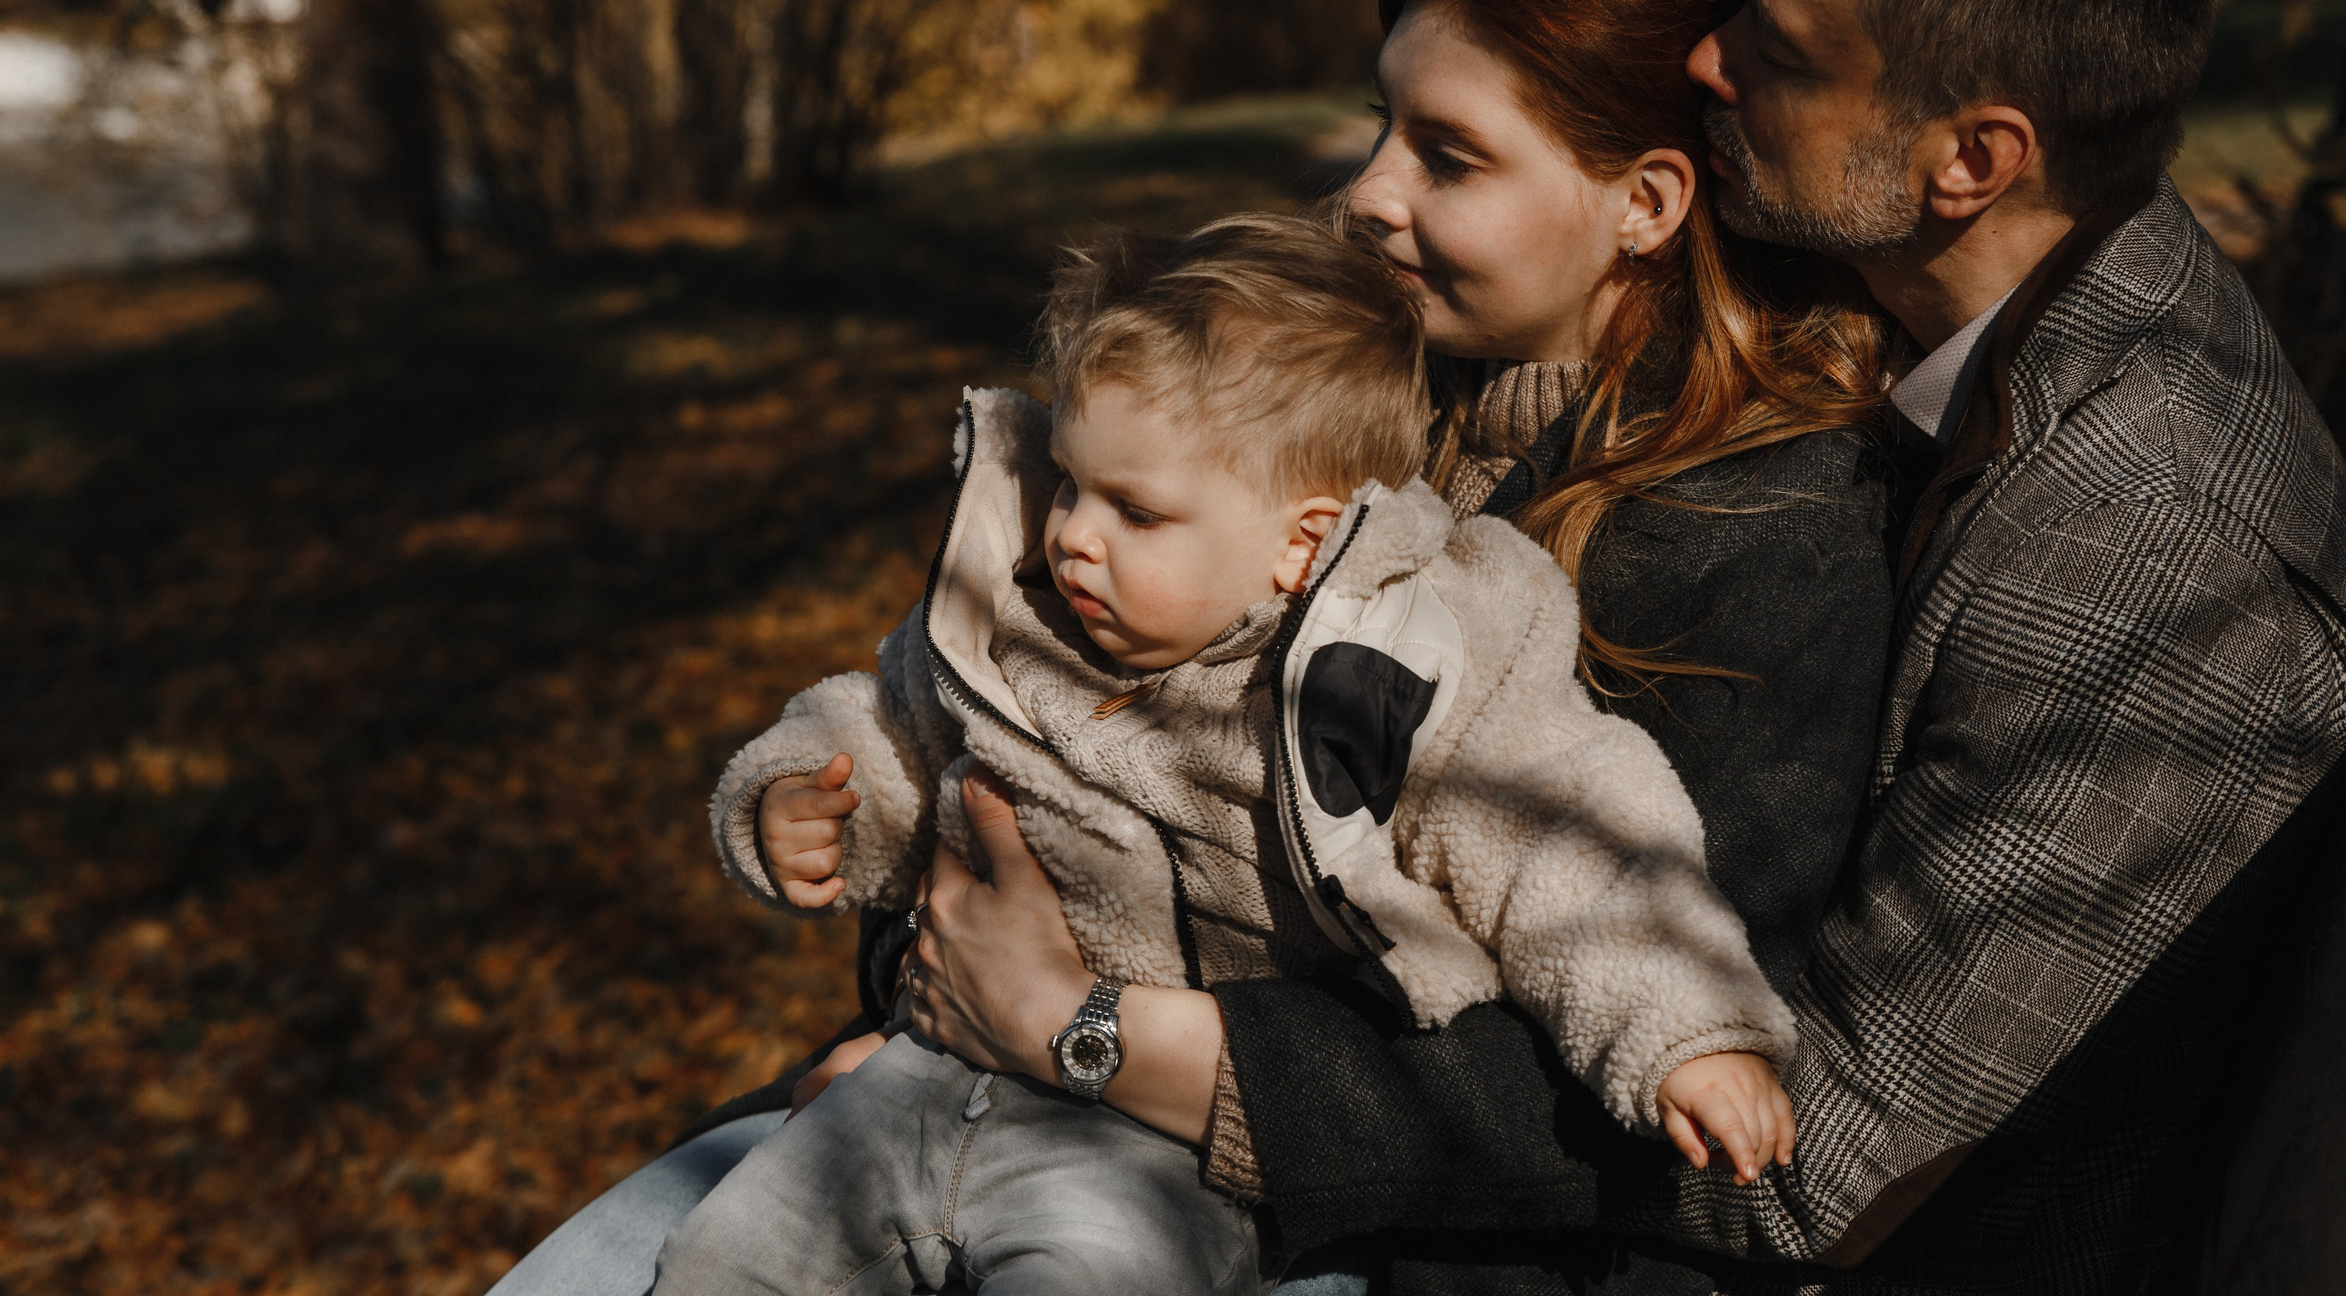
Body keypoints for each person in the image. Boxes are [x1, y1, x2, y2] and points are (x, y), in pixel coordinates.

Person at [486, 0, 1897, 1296]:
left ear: (1647, 202)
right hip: (978, 1093)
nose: (1368, 191)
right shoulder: (1301, 380)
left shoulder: (1762, 541)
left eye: (1450, 155)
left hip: (1364, 1228)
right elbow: (1009, 724)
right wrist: (930, 988)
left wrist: (1076, 1032)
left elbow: (1599, 1042)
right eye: (1382, 126)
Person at [648, 212, 1803, 1296]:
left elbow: (1574, 841)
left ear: (1300, 546)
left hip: (1150, 1144)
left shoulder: (1402, 671)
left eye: (1134, 513)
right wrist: (802, 802)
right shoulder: (1016, 619)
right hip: (918, 1078)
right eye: (1068, 481)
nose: (1073, 535)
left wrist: (1685, 1037)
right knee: (722, 1261)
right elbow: (889, 726)